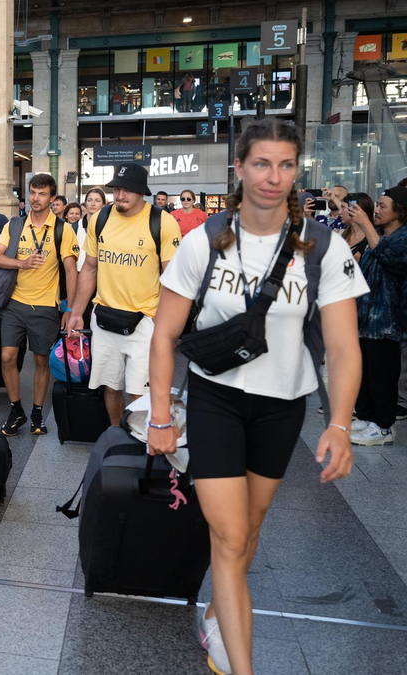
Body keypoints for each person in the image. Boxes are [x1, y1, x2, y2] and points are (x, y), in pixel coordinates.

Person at [148, 118, 365, 675]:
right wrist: (160, 414)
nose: (273, 176)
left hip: (282, 404)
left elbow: (343, 347)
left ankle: (218, 611)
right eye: (262, 163)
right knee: (229, 535)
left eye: (285, 165)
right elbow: (165, 334)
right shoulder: (204, 240)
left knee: (251, 525)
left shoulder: (322, 247)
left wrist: (340, 424)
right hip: (216, 397)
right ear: (240, 168)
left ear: (296, 171)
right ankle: (239, 663)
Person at [67, 163, 180, 425]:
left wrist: (168, 328)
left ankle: (141, 443)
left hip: (145, 320)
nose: (120, 195)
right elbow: (90, 268)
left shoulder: (162, 222)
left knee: (140, 393)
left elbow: (172, 281)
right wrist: (77, 312)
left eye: (127, 190)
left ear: (142, 192)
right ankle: (119, 436)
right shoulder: (100, 219)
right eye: (116, 189)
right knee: (111, 387)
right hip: (105, 318)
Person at [0, 173, 78, 436]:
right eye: (32, 193)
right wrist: (21, 263)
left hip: (45, 306)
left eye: (42, 194)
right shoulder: (15, 225)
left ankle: (37, 412)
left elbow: (71, 271)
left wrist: (70, 309)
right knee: (7, 357)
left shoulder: (62, 229)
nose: (35, 198)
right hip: (14, 302)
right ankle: (16, 409)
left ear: (52, 198)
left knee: (41, 361)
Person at [344, 187, 407, 445]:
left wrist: (366, 225)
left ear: (399, 211)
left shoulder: (402, 238)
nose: (377, 211)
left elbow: (391, 258)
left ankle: (383, 426)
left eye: (382, 206)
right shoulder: (378, 235)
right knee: (366, 372)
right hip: (365, 317)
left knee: (383, 374)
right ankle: (367, 416)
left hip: (387, 321)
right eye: (377, 205)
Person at [338, 192, 374, 260]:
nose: (339, 212)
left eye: (343, 208)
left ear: (355, 209)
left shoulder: (373, 239)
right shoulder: (339, 234)